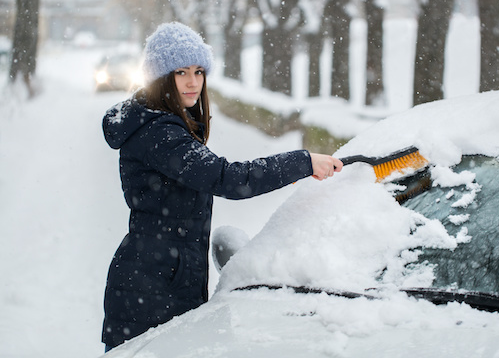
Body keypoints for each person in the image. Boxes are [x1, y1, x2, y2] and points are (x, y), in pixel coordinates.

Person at [101, 22, 343, 351]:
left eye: (199, 71)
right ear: (162, 77)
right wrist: (301, 162)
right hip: (149, 292)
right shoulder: (159, 133)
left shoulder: (163, 123)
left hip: (164, 280)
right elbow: (227, 178)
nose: (193, 82)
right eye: (181, 72)